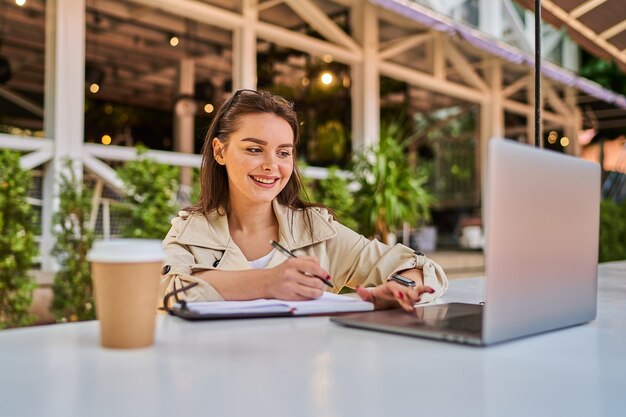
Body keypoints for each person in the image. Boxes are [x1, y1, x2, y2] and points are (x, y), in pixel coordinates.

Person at [161, 89, 448, 312]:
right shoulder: (190, 231)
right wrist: (268, 282)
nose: (271, 165)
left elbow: (419, 266)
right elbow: (166, 291)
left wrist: (400, 288)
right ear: (220, 151)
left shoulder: (315, 230)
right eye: (254, 149)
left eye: (283, 153)